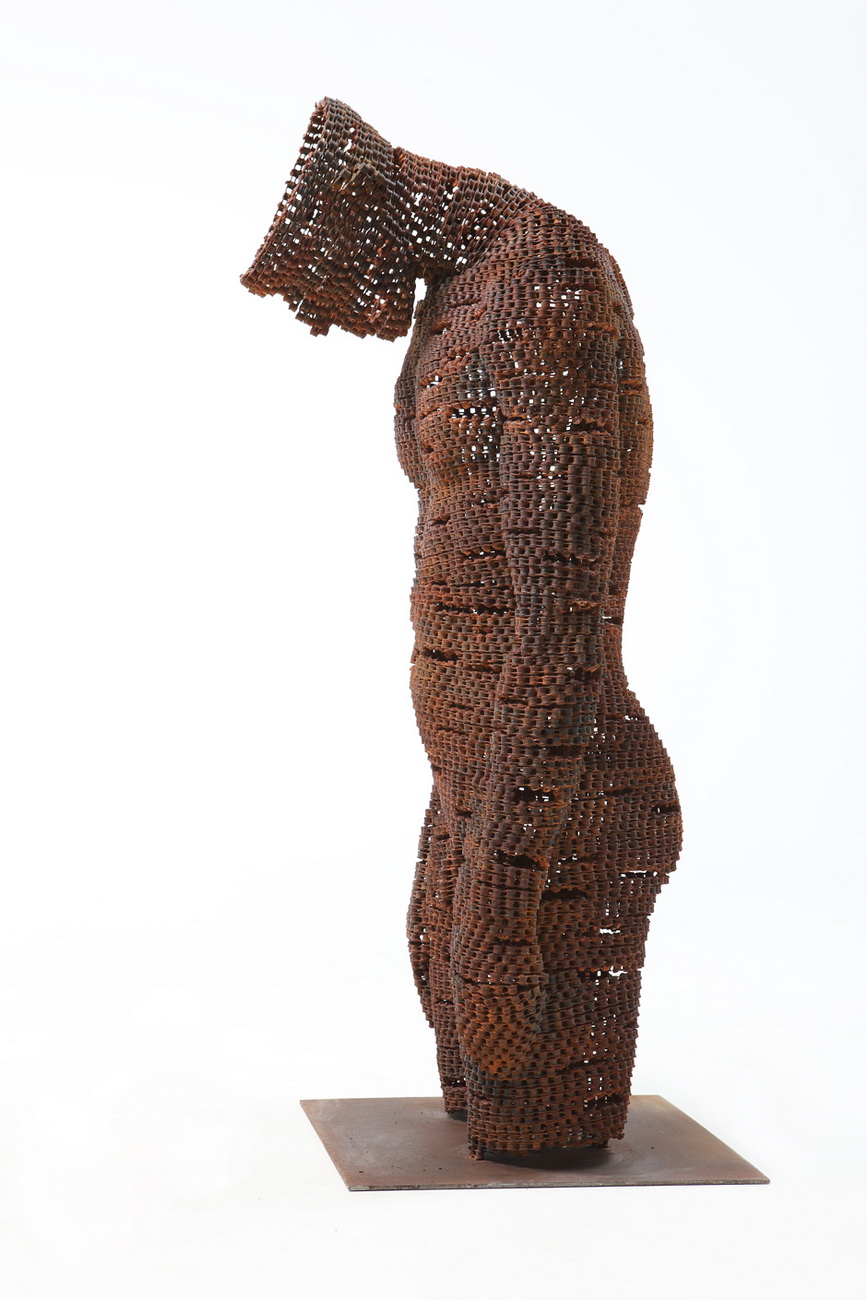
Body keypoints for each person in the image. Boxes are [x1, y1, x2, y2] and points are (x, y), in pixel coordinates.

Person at [241, 96, 682, 1159]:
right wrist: (457, 828)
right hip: (476, 778)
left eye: (310, 276)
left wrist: (505, 882)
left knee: (530, 1111)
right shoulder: (458, 290)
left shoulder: (543, 279)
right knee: (464, 1055)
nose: (312, 314)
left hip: (560, 794)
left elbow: (565, 602)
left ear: (361, 201)